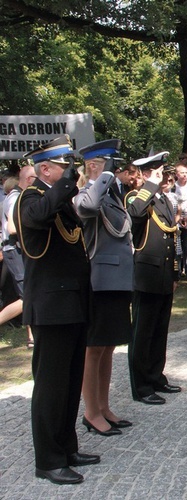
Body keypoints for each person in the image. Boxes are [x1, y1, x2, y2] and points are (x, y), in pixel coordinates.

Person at [16, 135, 98, 484]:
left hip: (73, 301)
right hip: (51, 306)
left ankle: (67, 446)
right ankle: (48, 460)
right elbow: (40, 215)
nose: (71, 173)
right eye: (64, 167)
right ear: (44, 169)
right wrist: (66, 182)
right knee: (50, 385)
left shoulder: (58, 199)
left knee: (69, 381)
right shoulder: (29, 199)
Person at [73, 139, 134, 437]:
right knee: (94, 348)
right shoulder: (89, 192)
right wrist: (98, 177)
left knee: (109, 347)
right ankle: (90, 411)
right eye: (111, 164)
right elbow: (85, 209)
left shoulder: (112, 196)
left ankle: (104, 406)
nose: (117, 170)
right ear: (97, 165)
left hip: (118, 281)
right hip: (100, 281)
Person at [126, 152, 181, 406]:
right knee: (143, 333)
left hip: (163, 273)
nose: (163, 176)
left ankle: (156, 376)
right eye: (157, 171)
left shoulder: (164, 200)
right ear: (146, 173)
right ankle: (141, 385)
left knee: (160, 330)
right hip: (146, 275)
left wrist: (174, 273)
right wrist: (148, 184)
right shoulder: (136, 197)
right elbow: (136, 214)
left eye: (163, 171)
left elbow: (171, 240)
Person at [0, 166, 35, 348]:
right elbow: (13, 228)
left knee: (29, 294)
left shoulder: (17, 196)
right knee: (26, 296)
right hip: (14, 248)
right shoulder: (15, 198)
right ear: (29, 180)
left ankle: (32, 337)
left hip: (18, 248)